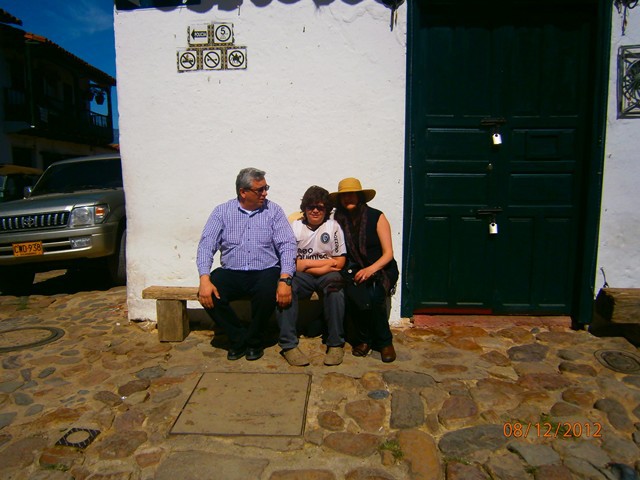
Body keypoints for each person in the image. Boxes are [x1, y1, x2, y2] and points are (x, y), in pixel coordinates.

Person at [196, 168, 297, 361]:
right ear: (243, 192)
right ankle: (238, 338)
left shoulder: (274, 211)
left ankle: (254, 341)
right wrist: (204, 278)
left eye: (266, 188)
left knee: (267, 291)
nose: (265, 193)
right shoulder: (222, 212)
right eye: (260, 190)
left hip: (265, 270)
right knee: (208, 292)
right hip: (232, 271)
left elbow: (287, 245)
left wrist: (285, 278)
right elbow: (206, 245)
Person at [330, 177, 399, 363]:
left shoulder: (377, 216)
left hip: (381, 268)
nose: (348, 198)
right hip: (354, 268)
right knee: (357, 297)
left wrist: (371, 269)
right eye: (344, 195)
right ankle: (364, 339)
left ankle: (384, 342)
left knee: (375, 296)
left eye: (352, 194)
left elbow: (388, 254)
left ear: (359, 196)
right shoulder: (338, 220)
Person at [277, 186, 347, 366]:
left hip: (328, 275)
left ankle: (335, 344)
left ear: (327, 210)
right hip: (303, 276)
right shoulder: (295, 227)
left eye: (320, 207)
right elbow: (291, 262)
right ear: (305, 208)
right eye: (311, 207)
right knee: (286, 288)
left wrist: (306, 264)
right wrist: (322, 266)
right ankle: (289, 345)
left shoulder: (333, 227)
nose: (315, 211)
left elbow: (339, 262)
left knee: (335, 289)